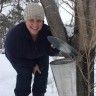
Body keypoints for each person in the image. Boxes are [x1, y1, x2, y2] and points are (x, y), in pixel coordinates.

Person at [4, 3, 59, 96]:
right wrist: (32, 65)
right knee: (25, 74)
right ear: (25, 20)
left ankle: (39, 94)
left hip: (41, 55)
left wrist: (54, 48)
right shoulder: (14, 36)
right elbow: (12, 56)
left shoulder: (47, 32)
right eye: (31, 20)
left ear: (43, 21)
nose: (35, 24)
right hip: (20, 58)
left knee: (41, 74)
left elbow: (52, 51)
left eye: (39, 20)